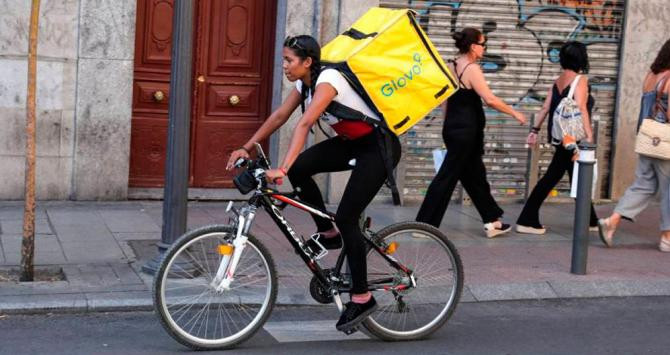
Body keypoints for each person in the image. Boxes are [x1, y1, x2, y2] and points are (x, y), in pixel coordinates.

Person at [226, 35, 401, 331]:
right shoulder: (303, 84)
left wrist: (282, 168)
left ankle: (362, 297)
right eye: (283, 59)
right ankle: (327, 232)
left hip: (377, 148)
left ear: (307, 62)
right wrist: (247, 146)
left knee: (348, 216)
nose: (284, 65)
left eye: (289, 60)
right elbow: (281, 115)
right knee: (302, 168)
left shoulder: (329, 78)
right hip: (350, 143)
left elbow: (305, 123)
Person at [416, 27, 526, 238]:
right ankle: (423, 224)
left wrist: (447, 125)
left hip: (456, 129)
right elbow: (490, 99)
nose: (485, 48)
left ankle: (492, 221)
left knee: (475, 176)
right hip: (466, 132)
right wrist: (514, 113)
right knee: (446, 177)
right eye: (483, 44)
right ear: (473, 46)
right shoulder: (472, 69)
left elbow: (445, 100)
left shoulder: (451, 65)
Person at [516, 41, 598, 235]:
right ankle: (526, 219)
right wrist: (589, 135)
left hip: (560, 136)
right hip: (573, 138)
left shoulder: (558, 81)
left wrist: (534, 130)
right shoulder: (580, 80)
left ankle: (591, 220)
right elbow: (581, 108)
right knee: (558, 177)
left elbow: (545, 108)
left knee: (573, 176)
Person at [597, 39, 670, 252]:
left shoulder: (651, 76)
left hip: (647, 140)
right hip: (665, 143)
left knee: (643, 185)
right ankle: (667, 237)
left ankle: (613, 220)